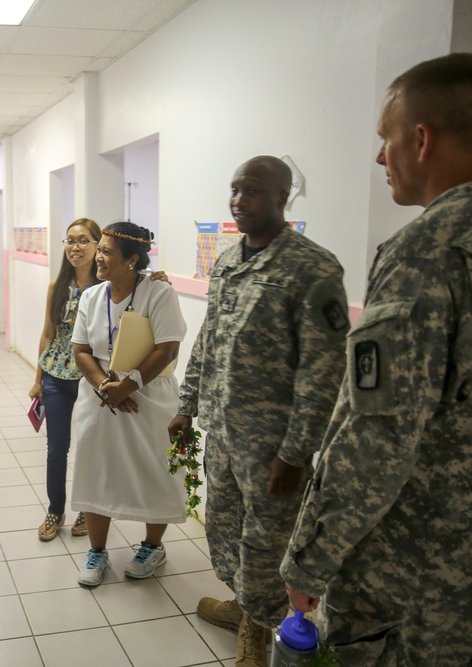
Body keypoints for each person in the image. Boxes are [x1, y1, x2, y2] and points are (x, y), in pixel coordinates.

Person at [281, 53, 472, 665]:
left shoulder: (427, 252)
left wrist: (310, 555)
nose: (380, 157)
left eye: (385, 140)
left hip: (427, 577)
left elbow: (376, 432)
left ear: (421, 139)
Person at [168, 156, 349, 667]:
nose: (238, 201)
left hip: (273, 447)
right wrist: (187, 405)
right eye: (234, 190)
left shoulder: (313, 268)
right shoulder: (228, 260)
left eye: (251, 191)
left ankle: (259, 630)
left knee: (266, 543)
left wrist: (295, 453)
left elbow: (323, 370)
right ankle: (244, 605)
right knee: (224, 529)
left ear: (281, 198)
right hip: (223, 435)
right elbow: (209, 338)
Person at [70, 222, 187, 587]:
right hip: (100, 395)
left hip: (148, 395)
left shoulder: (158, 293)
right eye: (99, 249)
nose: (98, 257)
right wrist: (107, 385)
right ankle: (97, 551)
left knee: (154, 468)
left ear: (132, 261)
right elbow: (80, 350)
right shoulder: (92, 296)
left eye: (106, 252)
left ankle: (152, 547)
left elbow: (168, 347)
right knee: (94, 466)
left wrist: (130, 385)